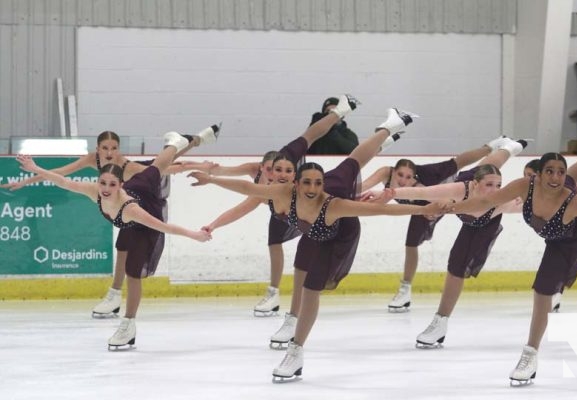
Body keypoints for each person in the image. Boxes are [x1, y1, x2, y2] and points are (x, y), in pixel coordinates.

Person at [189, 107, 446, 382]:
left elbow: (382, 211)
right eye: (306, 182)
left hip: (338, 235)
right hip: (314, 229)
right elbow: (248, 189)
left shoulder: (333, 204)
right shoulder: (283, 191)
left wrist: (422, 209)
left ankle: (295, 348)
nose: (312, 187)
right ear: (296, 184)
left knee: (312, 288)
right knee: (350, 166)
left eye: (316, 183)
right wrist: (211, 179)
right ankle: (392, 123)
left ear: (321, 184)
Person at [444, 126, 577, 385]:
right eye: (549, 171)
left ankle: (529, 355)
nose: (555, 177)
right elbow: (486, 202)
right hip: (555, 210)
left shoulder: (575, 201)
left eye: (559, 172)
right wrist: (452, 207)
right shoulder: (525, 185)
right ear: (539, 173)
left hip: (567, 240)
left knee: (542, 290)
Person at [16, 131, 212, 349]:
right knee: (156, 167)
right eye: (103, 183)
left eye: (111, 184)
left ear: (120, 185)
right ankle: (174, 143)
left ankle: (128, 325)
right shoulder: (94, 191)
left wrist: (194, 235)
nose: (106, 189)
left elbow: (163, 226)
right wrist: (36, 169)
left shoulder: (131, 209)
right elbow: (63, 181)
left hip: (145, 222)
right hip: (139, 188)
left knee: (133, 271)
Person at [184, 94, 360, 316]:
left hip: (307, 206)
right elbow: (239, 198)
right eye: (268, 170)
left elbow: (313, 133)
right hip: (283, 212)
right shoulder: (260, 182)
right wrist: (213, 217)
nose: (273, 175)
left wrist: (338, 113)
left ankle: (293, 307)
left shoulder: (285, 166)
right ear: (262, 169)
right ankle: (274, 293)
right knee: (274, 242)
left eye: (278, 170)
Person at [365, 138, 527, 347]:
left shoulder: (501, 201)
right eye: (489, 185)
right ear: (476, 185)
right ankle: (507, 147)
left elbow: (530, 206)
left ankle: (440, 322)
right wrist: (387, 193)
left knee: (457, 265)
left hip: (482, 224)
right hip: (468, 190)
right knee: (486, 166)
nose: (495, 190)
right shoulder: (460, 188)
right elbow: (422, 192)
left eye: (498, 186)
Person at [524, 158, 563, 312]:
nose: (526, 179)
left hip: (568, 236)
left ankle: (555, 294)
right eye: (524, 174)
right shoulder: (528, 191)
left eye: (529, 175)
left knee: (557, 265)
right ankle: (554, 293)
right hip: (553, 237)